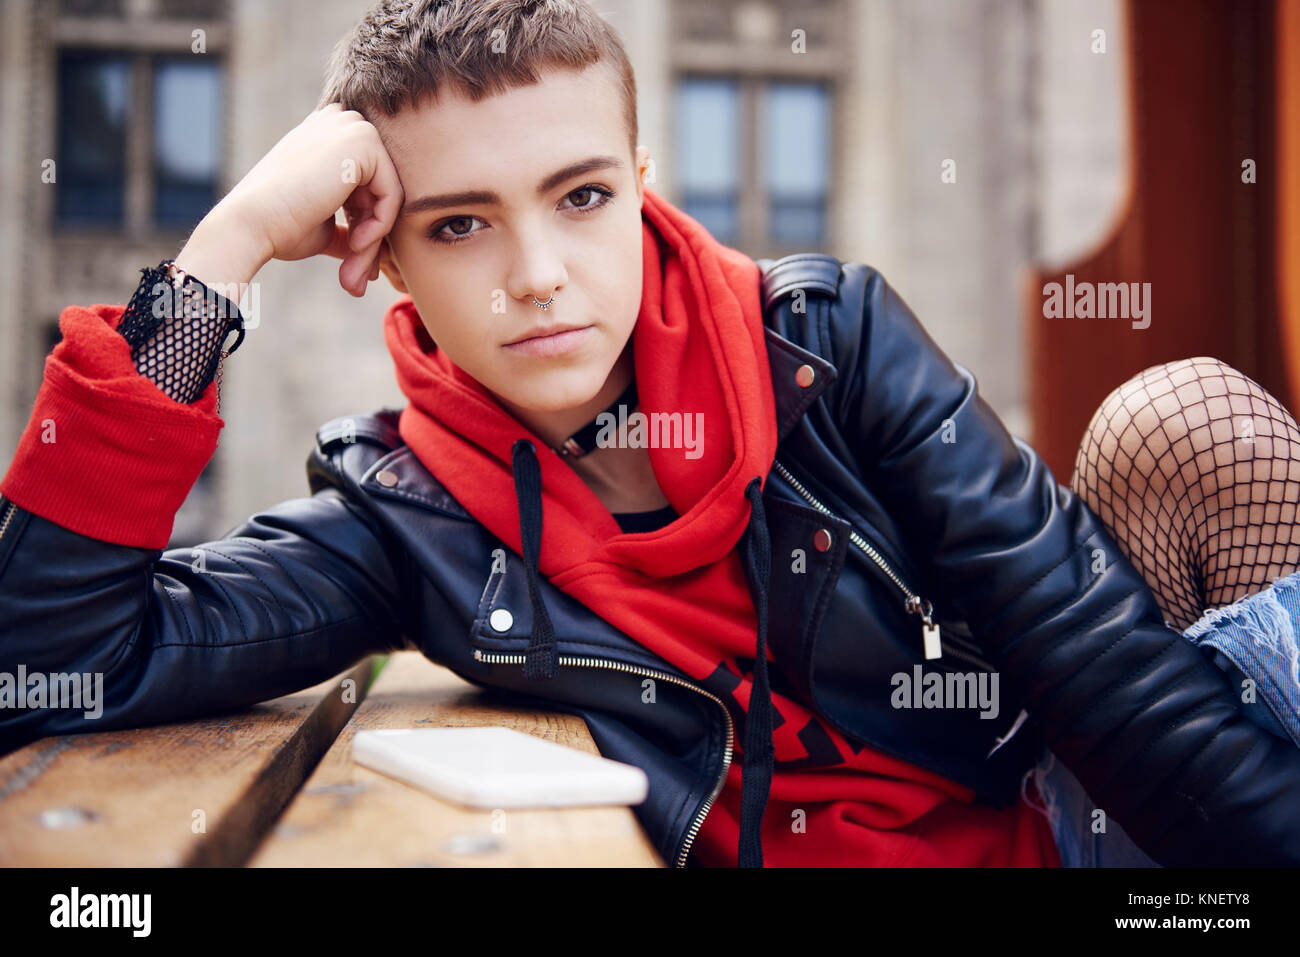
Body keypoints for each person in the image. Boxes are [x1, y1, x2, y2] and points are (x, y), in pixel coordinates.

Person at [2, 0, 1298, 868]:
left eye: (579, 197)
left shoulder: (827, 346)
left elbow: (1107, 676)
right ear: (383, 258)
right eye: (460, 224)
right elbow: (50, 663)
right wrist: (227, 250)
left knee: (1194, 423)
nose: (539, 273)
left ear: (641, 186)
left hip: (1067, 831)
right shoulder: (414, 516)